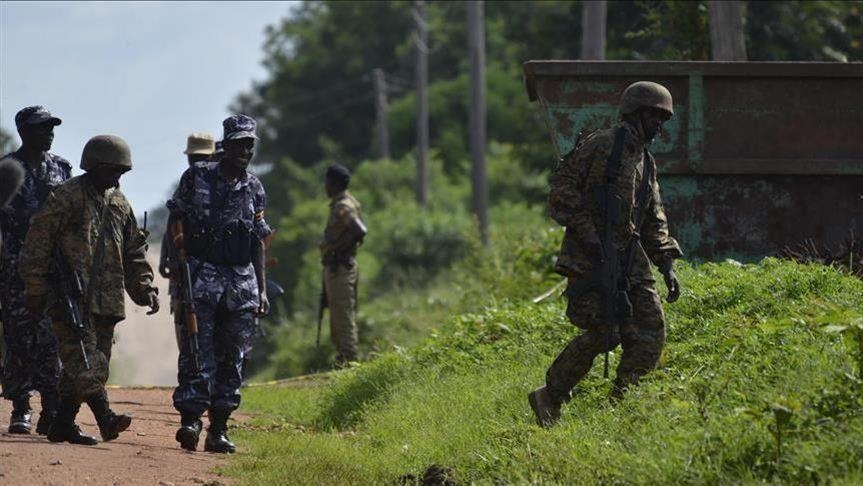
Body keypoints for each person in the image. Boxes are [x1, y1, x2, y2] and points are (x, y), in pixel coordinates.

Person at [529, 81, 683, 427]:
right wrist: (590, 235)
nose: (659, 125)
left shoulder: (645, 160)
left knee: (651, 331)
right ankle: (549, 395)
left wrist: (666, 263)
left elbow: (653, 218)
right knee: (606, 333)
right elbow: (561, 191)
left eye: (663, 119)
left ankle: (621, 409)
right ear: (635, 113)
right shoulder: (602, 145)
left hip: (629, 259)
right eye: (654, 116)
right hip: (590, 259)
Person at [20, 134, 159, 444]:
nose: (116, 177)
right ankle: (105, 418)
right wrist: (36, 287)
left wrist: (144, 288)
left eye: (121, 172)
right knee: (84, 361)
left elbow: (134, 250)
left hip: (107, 302)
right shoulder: (67, 196)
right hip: (70, 296)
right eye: (111, 170)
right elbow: (38, 243)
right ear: (93, 166)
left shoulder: (120, 202)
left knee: (89, 365)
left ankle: (62, 424)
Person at [168, 114, 271, 453]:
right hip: (202, 278)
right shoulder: (197, 176)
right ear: (224, 145)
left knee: (233, 358)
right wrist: (177, 261)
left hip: (241, 284)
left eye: (250, 144)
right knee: (198, 353)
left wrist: (263, 289)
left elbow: (258, 241)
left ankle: (220, 428)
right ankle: (191, 419)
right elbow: (176, 218)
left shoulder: (255, 187)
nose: (246, 150)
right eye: (240, 143)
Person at [0, 106, 71, 435]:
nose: (50, 132)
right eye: (43, 127)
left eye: (51, 127)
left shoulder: (62, 169)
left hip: (53, 268)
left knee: (52, 338)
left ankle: (51, 406)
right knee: (18, 336)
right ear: (25, 132)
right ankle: (21, 407)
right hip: (15, 266)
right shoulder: (6, 169)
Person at [159, 133, 216, 348]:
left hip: (214, 267)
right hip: (184, 266)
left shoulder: (223, 182)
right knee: (184, 318)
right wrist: (167, 257)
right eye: (194, 158)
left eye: (202, 157)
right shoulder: (185, 183)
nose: (197, 162)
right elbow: (172, 222)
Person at [319, 164, 366, 366]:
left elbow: (360, 230)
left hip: (340, 268)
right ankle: (344, 357)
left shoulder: (342, 206)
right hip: (338, 267)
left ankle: (350, 359)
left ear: (334, 184)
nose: (325, 187)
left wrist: (339, 249)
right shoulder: (346, 202)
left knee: (343, 316)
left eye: (327, 182)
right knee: (339, 314)